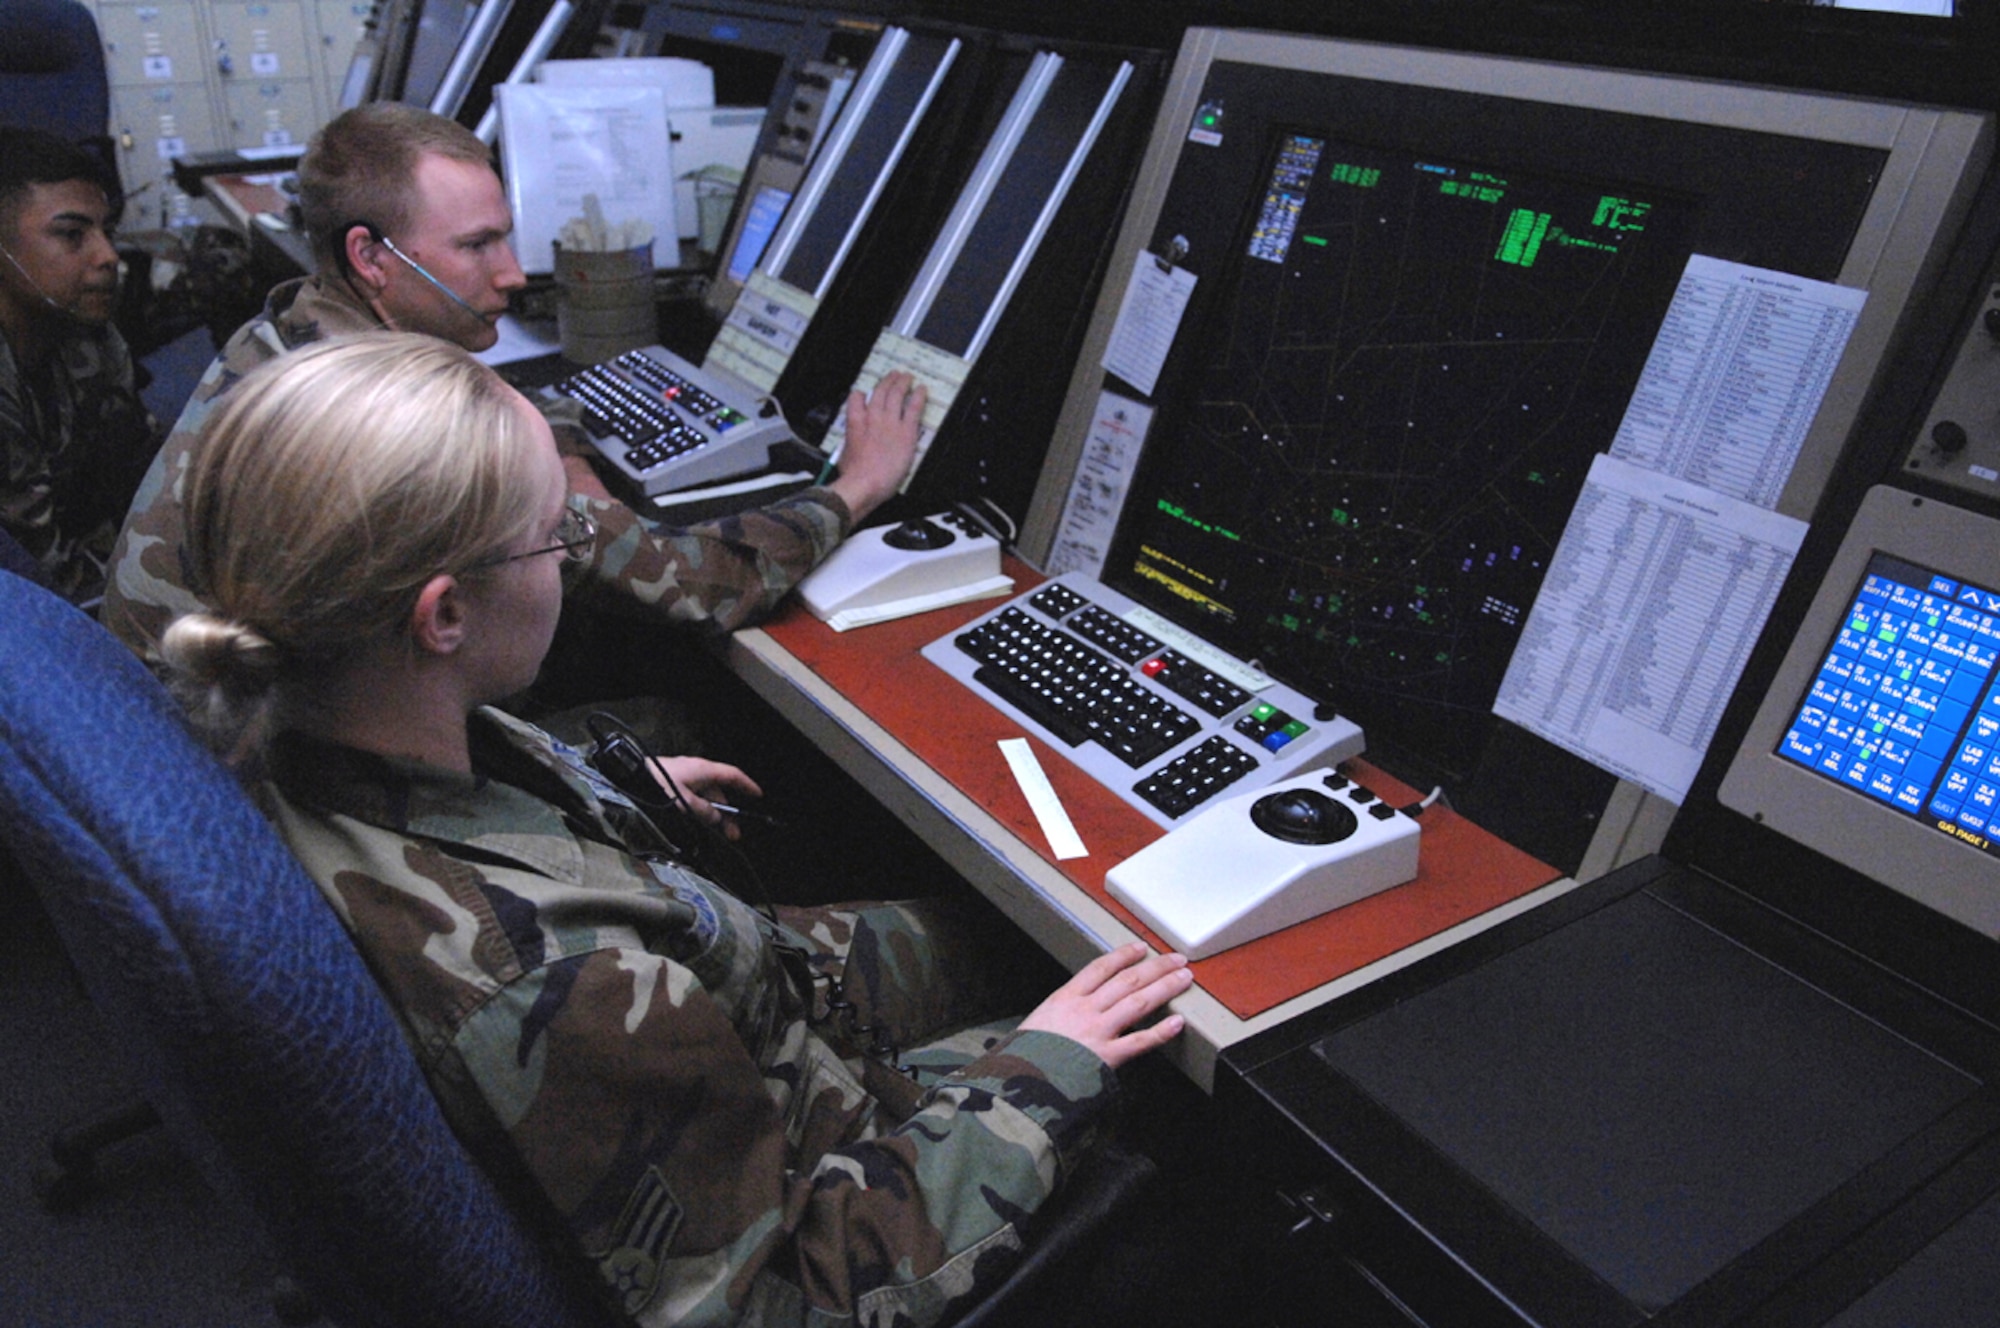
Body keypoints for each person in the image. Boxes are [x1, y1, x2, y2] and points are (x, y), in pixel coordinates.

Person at [158, 331, 1192, 1327]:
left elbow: (469, 838)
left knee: (1007, 929)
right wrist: (1048, 1066)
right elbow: (787, 1296)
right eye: (559, 532)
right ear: (442, 618)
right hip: (821, 1165)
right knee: (1167, 1048)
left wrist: (599, 793)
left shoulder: (292, 717)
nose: (570, 559)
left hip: (741, 999)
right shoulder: (556, 982)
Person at [101, 101, 922, 660]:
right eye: (477, 246)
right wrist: (851, 488)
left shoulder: (281, 333)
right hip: (266, 781)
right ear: (371, 257)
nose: (515, 271)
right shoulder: (402, 430)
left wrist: (548, 430)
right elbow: (694, 586)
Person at [0, 127, 158, 603]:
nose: (108, 256)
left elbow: (137, 463)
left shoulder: (87, 330)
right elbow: (36, 572)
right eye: (72, 235)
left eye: (106, 232)